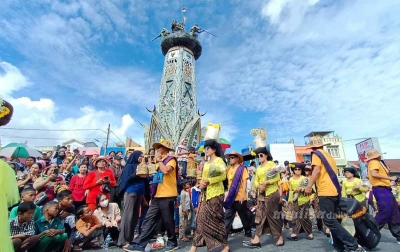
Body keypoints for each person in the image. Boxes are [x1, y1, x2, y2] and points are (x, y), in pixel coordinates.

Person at [304, 136, 363, 252]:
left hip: (325, 190)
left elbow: (316, 170)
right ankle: (339, 247)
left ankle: (353, 245)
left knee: (329, 220)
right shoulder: (328, 155)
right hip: (335, 190)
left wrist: (309, 185)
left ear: (312, 146)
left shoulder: (315, 154)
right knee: (333, 219)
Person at [126, 139, 179, 252]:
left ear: (166, 149)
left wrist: (159, 160)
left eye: (160, 147)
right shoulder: (158, 162)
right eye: (158, 147)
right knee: (149, 219)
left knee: (168, 220)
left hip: (168, 194)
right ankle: (140, 243)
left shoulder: (171, 159)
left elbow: (165, 171)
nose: (158, 149)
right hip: (157, 195)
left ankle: (173, 242)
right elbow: (156, 178)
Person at [189, 139, 229, 252]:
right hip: (205, 195)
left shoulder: (220, 161)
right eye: (205, 148)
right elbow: (203, 178)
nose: (206, 150)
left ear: (214, 149)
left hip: (216, 194)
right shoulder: (206, 164)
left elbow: (222, 176)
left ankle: (225, 245)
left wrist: (209, 180)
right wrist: (201, 183)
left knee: (216, 220)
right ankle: (194, 246)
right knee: (199, 219)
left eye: (208, 148)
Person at [244, 147, 284, 248]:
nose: (259, 157)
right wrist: (259, 186)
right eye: (258, 156)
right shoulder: (258, 168)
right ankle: (256, 239)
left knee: (272, 216)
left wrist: (267, 182)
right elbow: (256, 180)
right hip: (261, 194)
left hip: (271, 193)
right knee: (260, 215)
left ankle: (280, 237)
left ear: (266, 155)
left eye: (261, 155)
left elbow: (276, 177)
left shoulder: (271, 164)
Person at [365, 149, 400, 244]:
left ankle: (398, 235)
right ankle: (369, 232)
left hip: (385, 189)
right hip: (381, 189)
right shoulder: (374, 162)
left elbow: (371, 175)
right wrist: (391, 178)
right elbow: (374, 174)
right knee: (385, 212)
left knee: (394, 212)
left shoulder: (376, 163)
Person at [117, 151, 146, 248]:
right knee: (127, 216)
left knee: (134, 217)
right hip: (131, 192)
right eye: (140, 156)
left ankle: (129, 238)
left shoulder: (141, 165)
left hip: (139, 192)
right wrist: (137, 172)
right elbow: (127, 179)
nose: (142, 157)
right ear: (136, 156)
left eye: (142, 156)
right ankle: (122, 241)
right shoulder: (129, 166)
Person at [223, 151, 252, 239]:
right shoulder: (228, 169)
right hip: (231, 197)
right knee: (228, 216)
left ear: (237, 159)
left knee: (243, 216)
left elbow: (244, 182)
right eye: (229, 158)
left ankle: (248, 232)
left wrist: (243, 195)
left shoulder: (242, 168)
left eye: (232, 157)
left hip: (240, 196)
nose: (230, 159)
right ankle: (224, 235)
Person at [286, 163, 313, 241]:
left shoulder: (305, 178)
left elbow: (310, 189)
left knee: (305, 217)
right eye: (295, 169)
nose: (297, 171)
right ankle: (294, 233)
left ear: (302, 170)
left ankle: (309, 233)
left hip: (304, 199)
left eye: (299, 169)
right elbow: (290, 190)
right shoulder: (290, 179)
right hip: (294, 200)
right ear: (293, 170)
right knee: (295, 217)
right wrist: (289, 200)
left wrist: (302, 189)